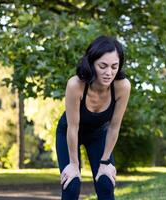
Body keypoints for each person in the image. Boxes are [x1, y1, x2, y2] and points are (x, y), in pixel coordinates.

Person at [55, 35, 131, 200]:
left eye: (114, 66)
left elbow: (114, 126)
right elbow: (73, 127)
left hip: (98, 135)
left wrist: (105, 163)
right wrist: (74, 165)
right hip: (69, 133)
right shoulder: (76, 85)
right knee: (71, 184)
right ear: (91, 63)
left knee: (106, 183)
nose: (109, 72)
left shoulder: (122, 87)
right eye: (102, 66)